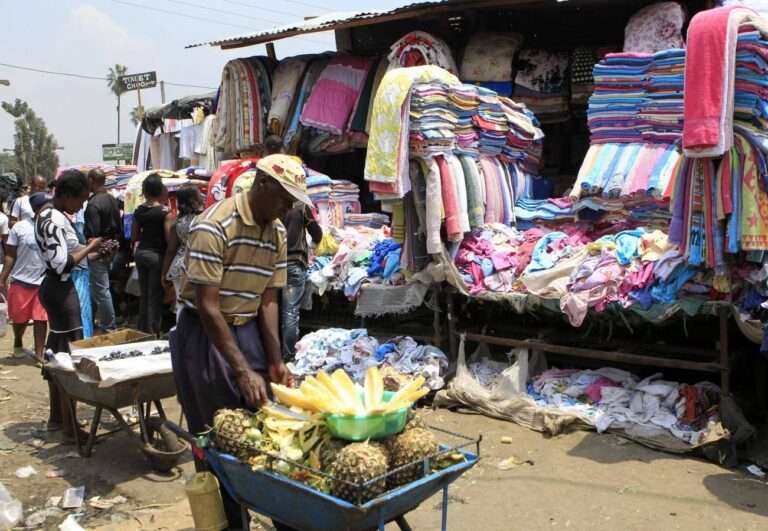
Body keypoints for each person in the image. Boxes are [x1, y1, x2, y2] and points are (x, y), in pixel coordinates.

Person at [170, 154, 308, 531]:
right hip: (204, 334)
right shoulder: (214, 226)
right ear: (262, 185)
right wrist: (243, 369)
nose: (289, 207)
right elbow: (208, 306)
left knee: (265, 421)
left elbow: (268, 299)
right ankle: (231, 521)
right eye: (285, 197)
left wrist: (275, 359)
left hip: (246, 327)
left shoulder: (277, 232)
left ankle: (279, 511)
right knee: (217, 433)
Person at [35, 171, 105, 441]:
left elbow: (65, 256)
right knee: (68, 363)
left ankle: (57, 418)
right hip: (61, 291)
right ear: (66, 195)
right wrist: (90, 247)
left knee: (56, 356)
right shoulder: (53, 219)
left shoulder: (48, 215)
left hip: (55, 288)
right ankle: (70, 426)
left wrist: (96, 253)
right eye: (80, 199)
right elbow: (62, 264)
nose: (82, 206)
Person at [0, 193, 47, 361]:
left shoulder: (51, 227)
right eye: (45, 206)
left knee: (41, 318)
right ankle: (18, 343)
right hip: (22, 281)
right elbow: (10, 255)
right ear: (36, 208)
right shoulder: (19, 228)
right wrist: (3, 278)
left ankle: (39, 353)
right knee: (19, 319)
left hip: (43, 282)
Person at [281, 204, 322, 360]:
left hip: (274, 264)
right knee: (290, 313)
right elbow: (317, 234)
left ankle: (274, 353)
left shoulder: (272, 203)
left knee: (273, 309)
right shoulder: (300, 205)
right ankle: (289, 356)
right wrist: (312, 247)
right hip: (294, 264)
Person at [131, 174, 170, 335]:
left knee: (144, 294)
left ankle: (142, 329)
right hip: (157, 256)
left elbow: (134, 237)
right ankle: (153, 331)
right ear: (160, 190)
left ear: (145, 192)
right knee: (155, 295)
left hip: (141, 254)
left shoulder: (139, 211)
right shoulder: (165, 213)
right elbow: (169, 239)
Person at [84, 169, 121, 333]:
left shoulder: (93, 204)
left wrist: (93, 248)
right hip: (112, 245)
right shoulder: (112, 199)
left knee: (101, 288)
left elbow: (93, 234)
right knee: (99, 287)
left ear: (92, 181)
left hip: (99, 248)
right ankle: (96, 320)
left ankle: (108, 324)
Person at [161, 186, 202, 314]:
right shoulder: (206, 219)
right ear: (194, 199)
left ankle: (181, 331)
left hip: (179, 266)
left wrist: (164, 273)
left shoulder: (177, 223)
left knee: (181, 304)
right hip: (201, 264)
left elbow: (171, 250)